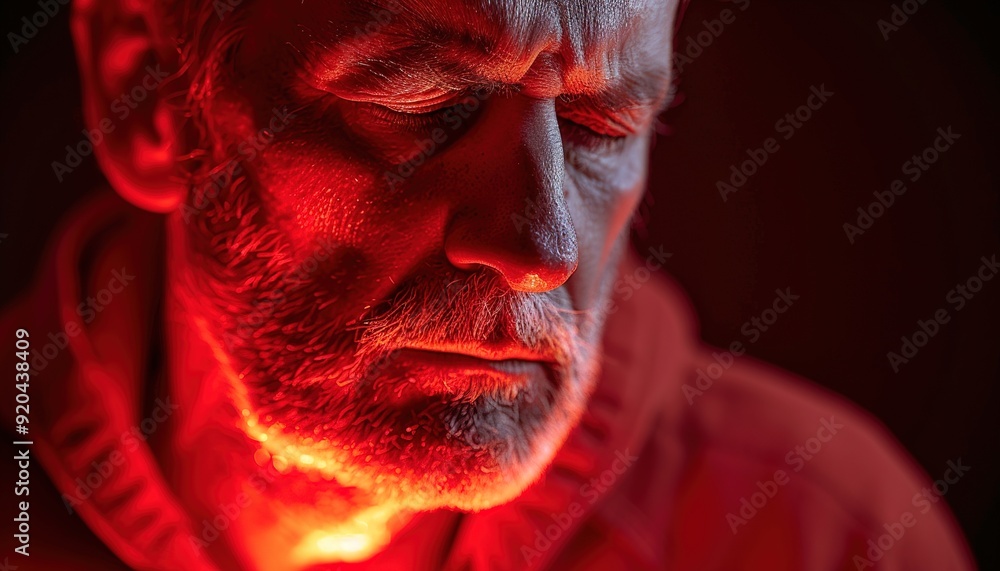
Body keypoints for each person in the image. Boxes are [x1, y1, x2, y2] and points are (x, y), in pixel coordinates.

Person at [0, 0, 977, 569]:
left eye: (601, 125)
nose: (539, 247)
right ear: (149, 95)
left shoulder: (818, 535)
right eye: (426, 103)